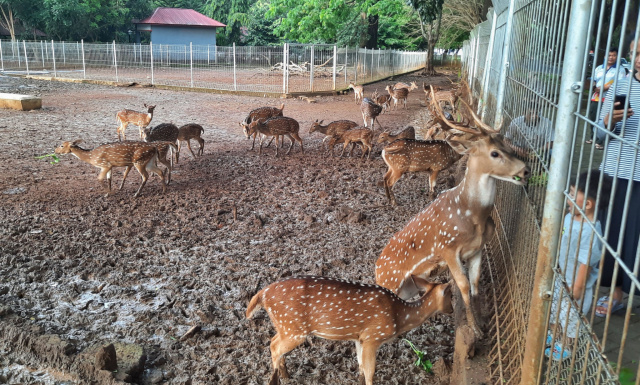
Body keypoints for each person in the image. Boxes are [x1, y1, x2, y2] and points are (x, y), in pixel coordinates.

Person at [594, 38, 640, 317]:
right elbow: (598, 133)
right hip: (617, 170)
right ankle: (617, 293)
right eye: (636, 53)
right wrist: (609, 122)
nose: (638, 59)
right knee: (616, 235)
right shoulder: (620, 86)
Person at [545, 170, 609, 360]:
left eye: (572, 195)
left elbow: (586, 263)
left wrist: (578, 287)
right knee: (555, 310)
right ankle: (555, 336)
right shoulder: (569, 217)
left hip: (576, 284)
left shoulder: (590, 232)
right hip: (562, 275)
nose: (568, 198)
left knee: (571, 317)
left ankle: (566, 345)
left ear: (588, 204)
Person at [587, 48, 629, 149]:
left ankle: (601, 141)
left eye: (613, 55)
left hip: (609, 98)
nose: (611, 57)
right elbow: (593, 79)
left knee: (605, 119)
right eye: (609, 55)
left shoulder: (620, 69)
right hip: (596, 97)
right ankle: (593, 137)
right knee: (592, 117)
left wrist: (603, 88)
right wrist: (594, 87)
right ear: (605, 56)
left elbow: (619, 83)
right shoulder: (599, 68)